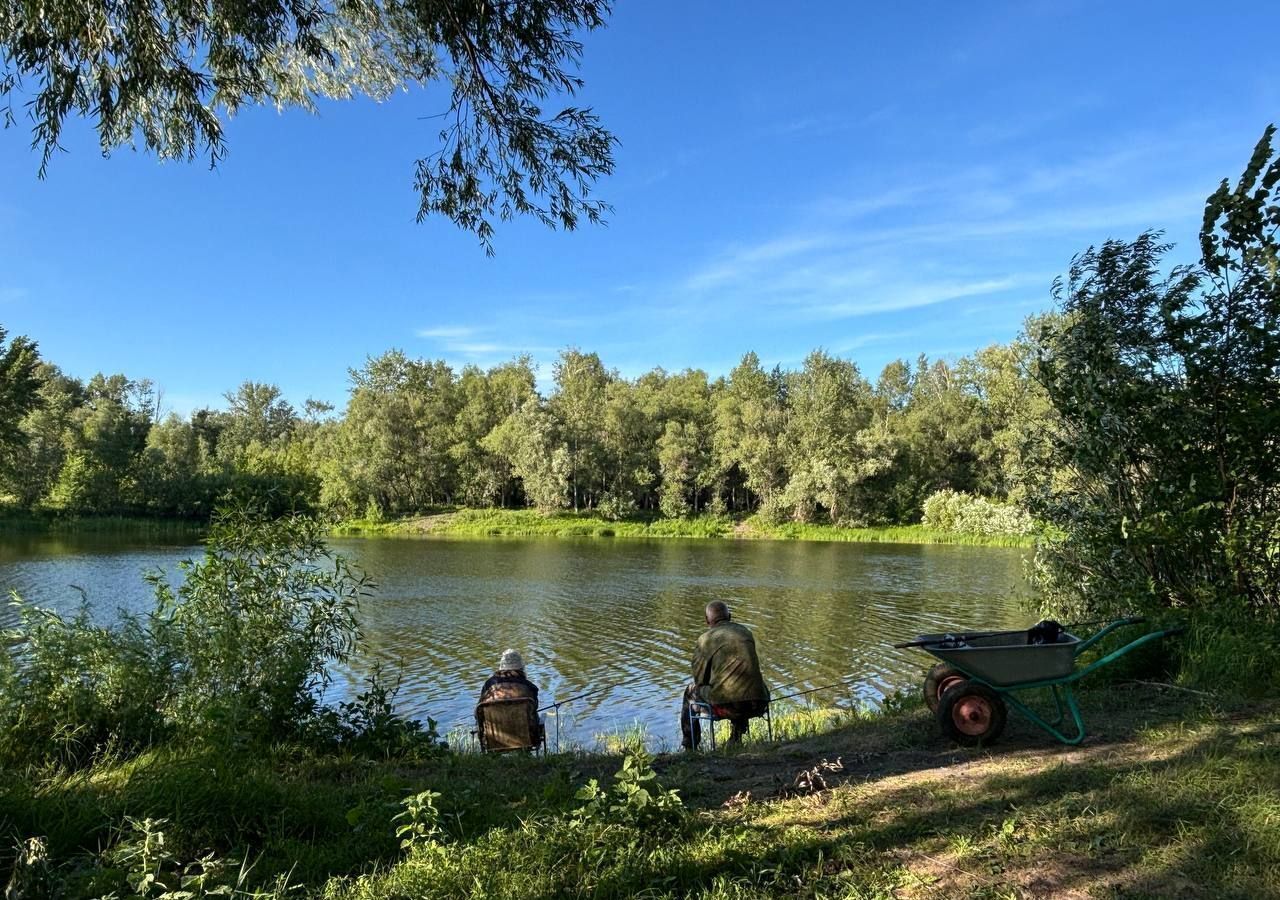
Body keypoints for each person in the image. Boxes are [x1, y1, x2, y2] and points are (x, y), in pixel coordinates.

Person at [681, 600, 770, 750]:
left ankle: (690, 746)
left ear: (707, 621)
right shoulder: (746, 632)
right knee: (741, 686)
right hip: (759, 703)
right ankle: (736, 737)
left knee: (690, 691)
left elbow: (699, 679)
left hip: (727, 708)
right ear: (730, 616)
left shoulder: (705, 639)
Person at [475, 649, 541, 744]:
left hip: (492, 740)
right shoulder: (529, 687)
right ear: (521, 668)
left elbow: (477, 714)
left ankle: (493, 755)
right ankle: (525, 753)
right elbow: (533, 710)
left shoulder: (489, 685)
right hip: (527, 739)